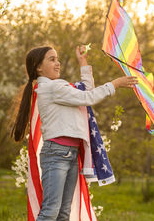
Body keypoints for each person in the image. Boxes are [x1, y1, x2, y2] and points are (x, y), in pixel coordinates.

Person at [11, 45, 138, 221]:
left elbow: (86, 91)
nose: (58, 63)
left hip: (70, 154)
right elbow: (88, 97)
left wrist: (82, 61)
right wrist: (115, 84)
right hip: (56, 154)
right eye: (52, 59)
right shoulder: (52, 88)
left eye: (57, 59)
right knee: (50, 211)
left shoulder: (59, 87)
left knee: (64, 213)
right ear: (38, 67)